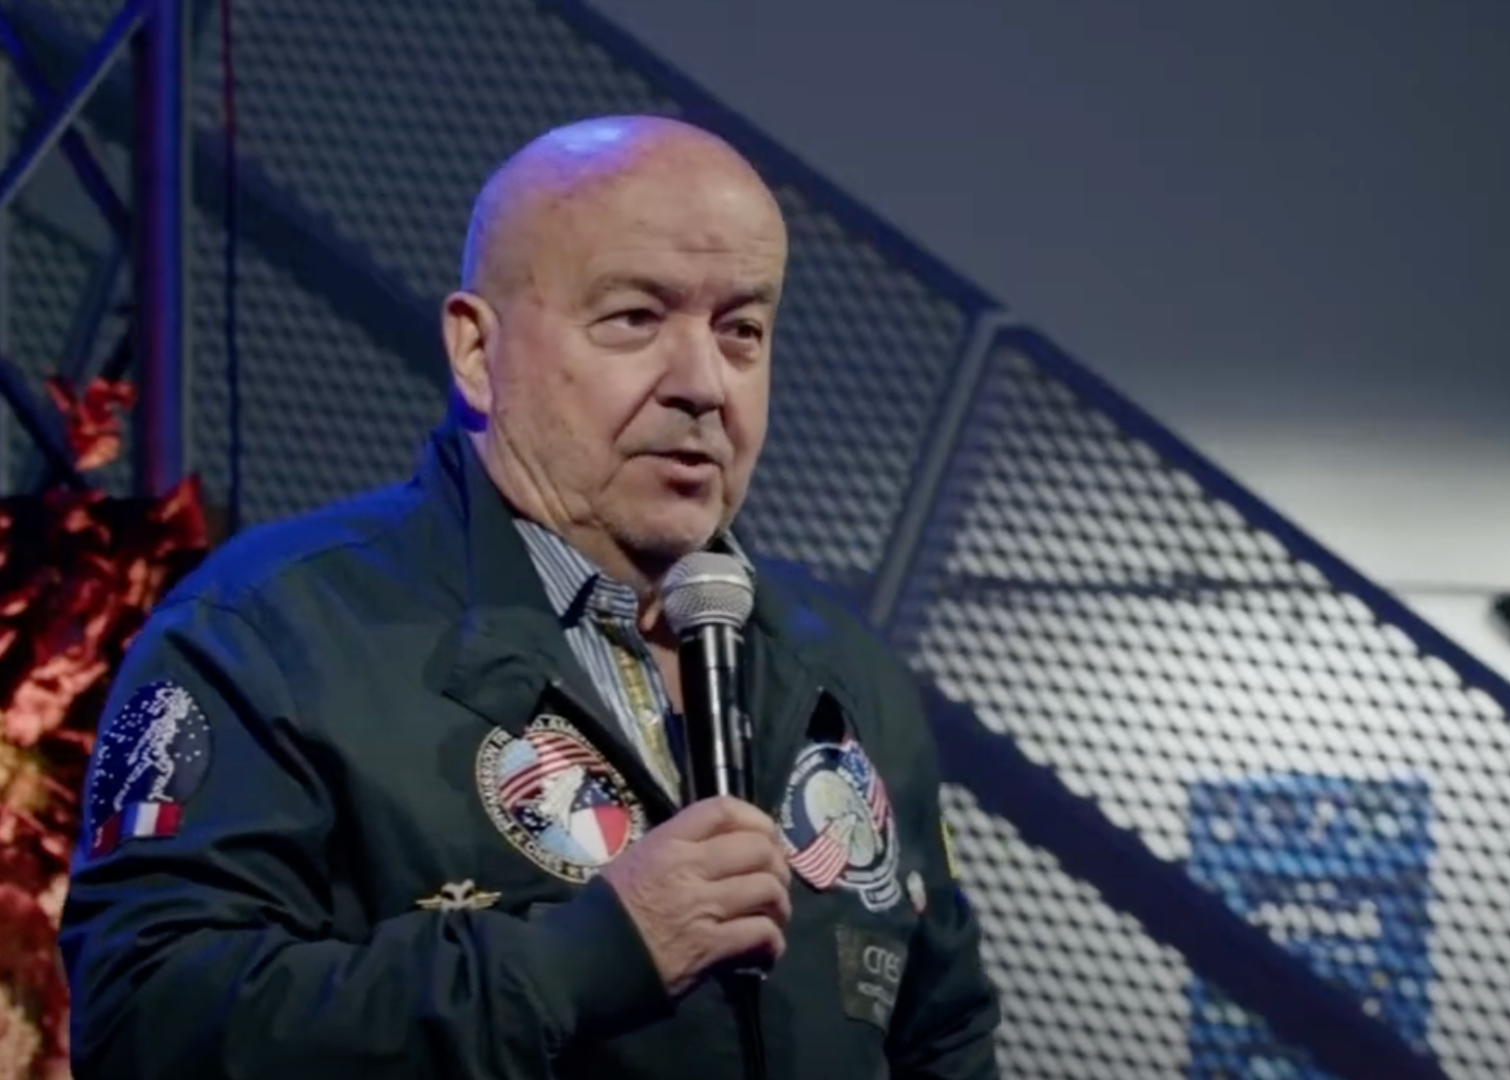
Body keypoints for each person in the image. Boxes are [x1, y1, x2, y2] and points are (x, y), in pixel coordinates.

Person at [58, 115, 1001, 1079]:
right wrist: (578, 962)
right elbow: (145, 1021)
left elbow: (947, 1038)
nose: (703, 383)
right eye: (635, 318)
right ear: (477, 350)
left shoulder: (845, 673)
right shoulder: (268, 634)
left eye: (742, 331)